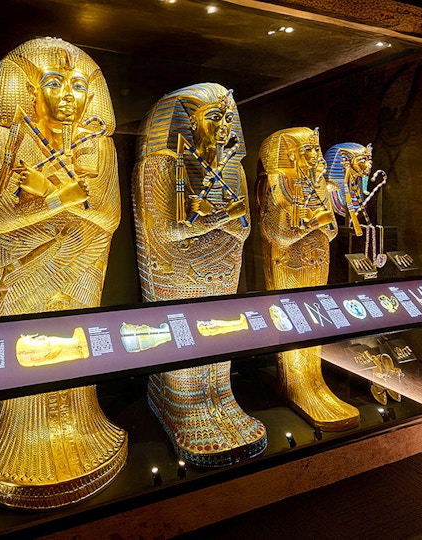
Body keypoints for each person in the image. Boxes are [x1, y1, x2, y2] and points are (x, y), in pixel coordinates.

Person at [0, 36, 127, 510]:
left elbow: (109, 215)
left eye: (79, 85)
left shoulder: (97, 145)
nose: (68, 95)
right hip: (22, 268)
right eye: (54, 83)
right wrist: (68, 198)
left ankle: (83, 419)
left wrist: (49, 194)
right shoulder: (5, 138)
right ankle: (20, 431)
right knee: (29, 347)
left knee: (75, 340)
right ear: (26, 90)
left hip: (81, 262)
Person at [131, 82, 267, 467]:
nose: (224, 125)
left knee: (220, 333)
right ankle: (178, 402)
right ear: (187, 123)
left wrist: (214, 219)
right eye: (213, 117)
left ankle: (221, 395)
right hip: (177, 267)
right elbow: (168, 231)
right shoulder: (162, 164)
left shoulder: (234, 169)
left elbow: (243, 228)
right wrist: (219, 219)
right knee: (184, 336)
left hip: (223, 264)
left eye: (228, 117)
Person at [257, 127, 360, 431]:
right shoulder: (278, 183)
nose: (317, 157)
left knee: (314, 322)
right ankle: (296, 384)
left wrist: (313, 223)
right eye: (310, 151)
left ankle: (314, 380)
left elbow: (330, 231)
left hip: (316, 259)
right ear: (290, 154)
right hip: (287, 264)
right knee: (292, 322)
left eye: (317, 150)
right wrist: (311, 223)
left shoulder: (318, 185)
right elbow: (276, 234)